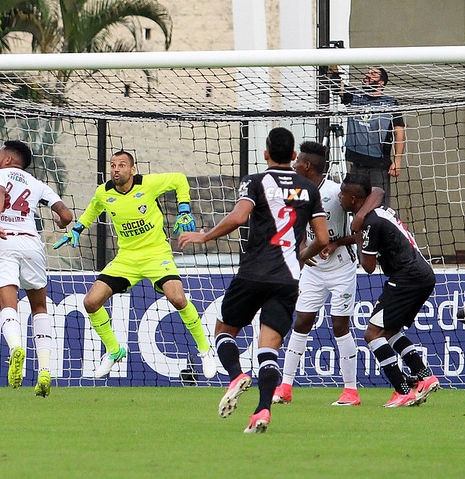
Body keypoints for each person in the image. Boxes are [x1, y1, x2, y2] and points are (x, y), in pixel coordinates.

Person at [178, 127, 329, 434]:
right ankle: (262, 411)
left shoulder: (255, 181)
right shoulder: (309, 189)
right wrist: (300, 256)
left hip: (253, 274)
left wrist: (204, 237)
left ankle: (236, 375)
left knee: (224, 332)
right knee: (268, 350)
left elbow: (238, 217)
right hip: (287, 279)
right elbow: (323, 239)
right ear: (294, 156)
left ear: (266, 153)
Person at [54, 150, 217, 381]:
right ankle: (114, 350)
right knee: (91, 302)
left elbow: (180, 179)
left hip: (156, 254)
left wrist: (184, 209)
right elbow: (94, 208)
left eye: (121, 165)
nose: (116, 169)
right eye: (113, 165)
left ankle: (205, 350)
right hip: (126, 258)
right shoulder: (104, 192)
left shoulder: (147, 184)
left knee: (178, 298)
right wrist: (78, 229)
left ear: (132, 170)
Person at [272, 141, 383, 407]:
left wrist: (337, 242)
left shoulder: (336, 192)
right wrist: (303, 248)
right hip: (314, 269)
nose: (295, 165)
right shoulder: (297, 193)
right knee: (301, 322)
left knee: (340, 326)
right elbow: (298, 227)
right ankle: (285, 387)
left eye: (298, 161)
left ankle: (351, 391)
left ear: (308, 166)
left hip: (341, 267)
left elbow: (366, 215)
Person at [0, 140, 74, 397]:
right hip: (31, 244)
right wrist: (59, 221)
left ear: (8, 159)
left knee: (8, 306)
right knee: (39, 307)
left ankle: (16, 348)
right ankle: (45, 370)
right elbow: (66, 215)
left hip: (2, 241)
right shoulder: (37, 184)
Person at [338, 173, 440, 407]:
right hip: (423, 275)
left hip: (407, 278)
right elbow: (377, 190)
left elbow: (368, 267)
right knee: (390, 331)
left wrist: (358, 237)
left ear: (353, 199)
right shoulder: (377, 211)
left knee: (372, 334)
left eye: (343, 193)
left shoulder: (370, 223)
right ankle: (425, 376)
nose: (339, 197)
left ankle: (402, 391)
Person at [336, 66, 405, 208]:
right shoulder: (355, 96)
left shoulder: (391, 103)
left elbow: (399, 131)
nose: (368, 75)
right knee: (353, 205)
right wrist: (331, 64)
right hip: (357, 164)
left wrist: (397, 160)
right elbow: (336, 84)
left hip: (378, 165)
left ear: (381, 82)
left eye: (373, 73)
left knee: (379, 207)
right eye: (367, 72)